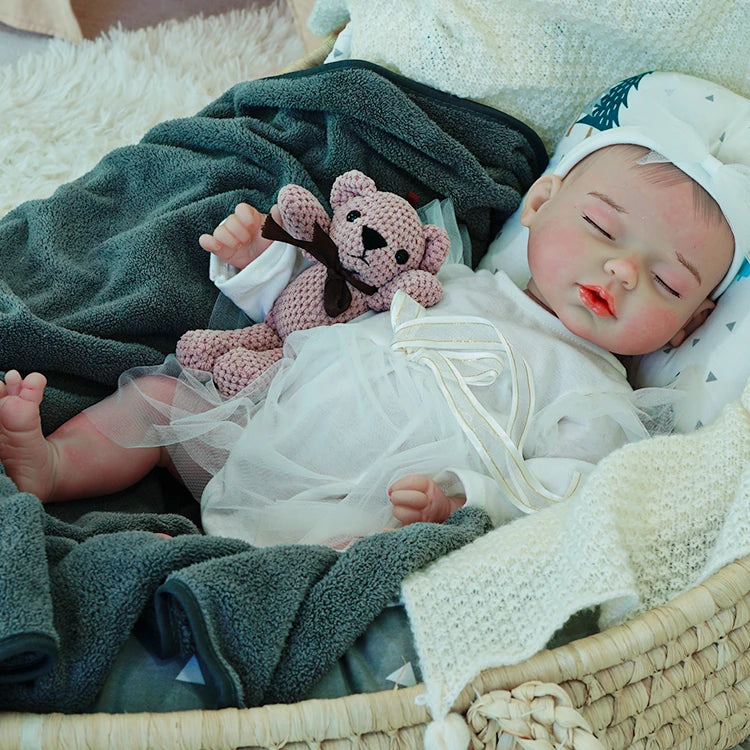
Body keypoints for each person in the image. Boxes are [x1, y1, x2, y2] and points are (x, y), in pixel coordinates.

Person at [0, 70, 746, 548]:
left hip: (369, 510)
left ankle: (204, 567)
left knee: (355, 562)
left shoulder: (595, 392)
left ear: (688, 327)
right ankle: (55, 465)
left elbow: (567, 487)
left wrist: (467, 497)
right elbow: (325, 308)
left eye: (669, 283)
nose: (619, 270)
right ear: (542, 205)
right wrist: (260, 267)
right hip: (268, 425)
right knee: (161, 402)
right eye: (601, 229)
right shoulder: (448, 272)